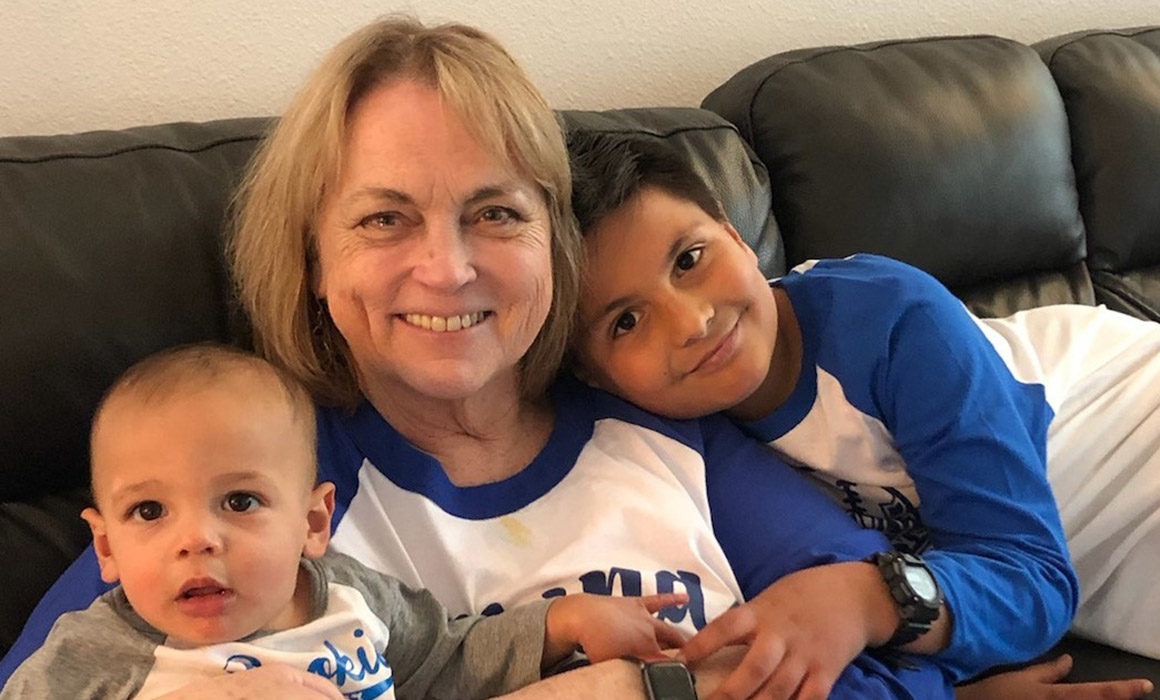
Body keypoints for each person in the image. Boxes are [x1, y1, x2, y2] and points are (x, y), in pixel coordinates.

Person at [1, 16, 955, 700]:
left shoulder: (665, 435)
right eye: (384, 219)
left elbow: (887, 637)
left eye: (495, 213)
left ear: (556, 241)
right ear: (312, 263)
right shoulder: (249, 494)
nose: (448, 269)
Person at [565, 131, 1159, 696]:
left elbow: (1033, 581)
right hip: (1084, 563)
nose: (691, 322)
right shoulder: (664, 442)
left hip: (1129, 424)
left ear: (734, 233)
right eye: (627, 321)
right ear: (595, 375)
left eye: (690, 258)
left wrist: (873, 596)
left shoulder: (890, 319)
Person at [1, 344, 692, 700]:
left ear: (311, 521)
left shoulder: (354, 599)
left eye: (239, 502)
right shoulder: (94, 653)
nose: (196, 540)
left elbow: (451, 658)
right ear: (106, 545)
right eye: (149, 512)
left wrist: (565, 621)